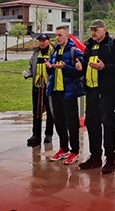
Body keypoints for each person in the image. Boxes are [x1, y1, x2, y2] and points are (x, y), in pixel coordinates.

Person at [76, 20, 115, 174]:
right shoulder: (89, 46)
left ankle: (110, 160)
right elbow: (86, 66)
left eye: (95, 30)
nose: (93, 33)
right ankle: (95, 157)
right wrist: (81, 68)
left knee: (108, 125)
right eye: (91, 30)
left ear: (104, 30)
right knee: (92, 124)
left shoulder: (113, 44)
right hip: (91, 93)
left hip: (107, 93)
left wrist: (105, 67)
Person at [45, 25, 84, 165]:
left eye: (60, 35)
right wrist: (49, 68)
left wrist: (65, 68)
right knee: (59, 122)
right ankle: (63, 148)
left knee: (72, 123)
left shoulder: (75, 51)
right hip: (55, 91)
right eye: (56, 35)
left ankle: (75, 151)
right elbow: (52, 73)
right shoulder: (54, 51)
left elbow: (80, 72)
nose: (57, 38)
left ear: (67, 35)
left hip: (69, 92)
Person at [22, 33, 55, 148]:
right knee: (36, 112)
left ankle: (49, 134)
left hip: (49, 87)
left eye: (44, 40)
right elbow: (31, 68)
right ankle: (35, 134)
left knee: (50, 112)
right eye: (40, 40)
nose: (41, 42)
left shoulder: (53, 53)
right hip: (37, 87)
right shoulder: (35, 54)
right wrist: (27, 74)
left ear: (48, 41)